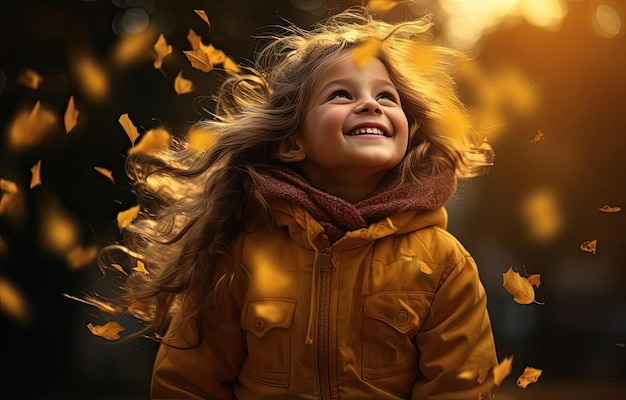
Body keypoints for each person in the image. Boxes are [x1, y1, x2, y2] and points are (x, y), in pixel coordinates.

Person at [101, 7, 499, 399]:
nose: (370, 104)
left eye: (385, 96)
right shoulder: (242, 253)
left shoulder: (443, 262)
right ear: (292, 143)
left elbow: (461, 386)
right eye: (341, 94)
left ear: (408, 132)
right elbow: (187, 383)